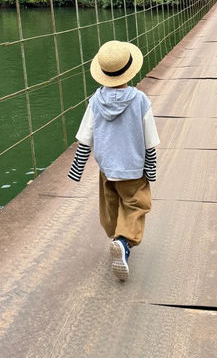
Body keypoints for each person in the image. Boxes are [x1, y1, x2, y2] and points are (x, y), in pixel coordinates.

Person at [68, 40, 159, 280]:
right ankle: (123, 241)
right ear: (130, 69)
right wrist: (151, 170)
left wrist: (76, 170)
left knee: (111, 207)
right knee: (137, 204)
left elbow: (85, 138)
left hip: (106, 169)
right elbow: (150, 140)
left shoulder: (95, 101)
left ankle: (115, 235)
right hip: (133, 169)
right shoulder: (140, 100)